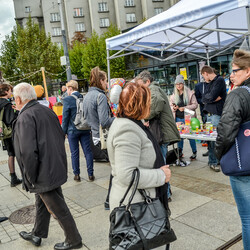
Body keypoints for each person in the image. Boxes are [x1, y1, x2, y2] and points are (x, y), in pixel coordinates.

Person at [13, 83, 82, 250]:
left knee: (58, 209)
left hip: (41, 171)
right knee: (42, 203)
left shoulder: (25, 116)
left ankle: (74, 240)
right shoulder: (45, 109)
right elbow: (59, 135)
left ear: (18, 99)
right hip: (51, 166)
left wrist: (29, 176)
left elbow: (28, 152)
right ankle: (37, 233)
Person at [107, 82, 172, 249]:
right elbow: (127, 175)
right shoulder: (127, 130)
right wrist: (161, 176)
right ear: (140, 104)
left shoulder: (130, 123)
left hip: (137, 202)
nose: (150, 104)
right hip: (134, 207)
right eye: (147, 100)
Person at [215, 49, 250, 250]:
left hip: (243, 164)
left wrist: (219, 154)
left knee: (247, 218)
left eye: (236, 71)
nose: (232, 75)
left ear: (248, 71)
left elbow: (226, 130)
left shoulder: (238, 94)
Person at [136, 70, 180, 201]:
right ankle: (167, 192)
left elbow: (158, 102)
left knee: (161, 165)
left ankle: (165, 195)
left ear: (147, 82)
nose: (141, 89)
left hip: (162, 133)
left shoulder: (153, 89)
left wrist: (145, 116)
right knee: (161, 163)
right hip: (161, 132)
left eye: (141, 85)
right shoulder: (154, 88)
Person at [83, 66, 114, 210]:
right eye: (106, 81)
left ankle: (111, 200)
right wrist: (118, 117)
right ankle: (109, 201)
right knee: (116, 170)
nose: (107, 84)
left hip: (94, 136)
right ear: (101, 81)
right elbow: (105, 121)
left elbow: (87, 118)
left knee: (116, 169)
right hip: (104, 137)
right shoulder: (100, 96)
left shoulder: (87, 95)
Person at [62, 80, 94, 182]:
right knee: (88, 152)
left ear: (70, 88)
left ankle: (77, 175)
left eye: (67, 89)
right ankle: (91, 174)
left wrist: (63, 132)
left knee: (74, 153)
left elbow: (65, 118)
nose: (67, 91)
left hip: (73, 130)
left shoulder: (67, 100)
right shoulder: (84, 98)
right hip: (85, 128)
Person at [201, 65, 227, 172]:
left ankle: (215, 161)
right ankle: (212, 160)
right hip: (209, 115)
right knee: (210, 139)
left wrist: (210, 98)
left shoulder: (219, 80)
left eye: (203, 76)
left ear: (206, 73)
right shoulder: (209, 83)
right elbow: (204, 98)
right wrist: (211, 98)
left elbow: (210, 97)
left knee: (215, 139)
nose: (204, 78)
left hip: (216, 114)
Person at [170, 74, 198, 160]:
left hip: (188, 118)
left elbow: (195, 105)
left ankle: (194, 152)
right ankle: (180, 152)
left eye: (180, 84)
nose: (178, 86)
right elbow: (170, 105)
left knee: (191, 136)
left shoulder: (189, 93)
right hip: (178, 118)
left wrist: (185, 108)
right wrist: (173, 108)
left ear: (183, 84)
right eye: (177, 84)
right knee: (180, 137)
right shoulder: (174, 94)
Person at [0, 83, 22, 187]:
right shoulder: (6, 104)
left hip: (3, 133)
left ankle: (13, 177)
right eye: (10, 91)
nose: (11, 92)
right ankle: (24, 177)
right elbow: (11, 120)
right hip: (11, 133)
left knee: (10, 154)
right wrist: (17, 111)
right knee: (18, 153)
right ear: (5, 92)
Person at [194, 81, 209, 156]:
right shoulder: (198, 86)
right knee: (205, 125)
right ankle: (208, 145)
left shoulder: (213, 83)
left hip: (213, 109)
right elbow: (197, 98)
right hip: (203, 109)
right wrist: (203, 101)